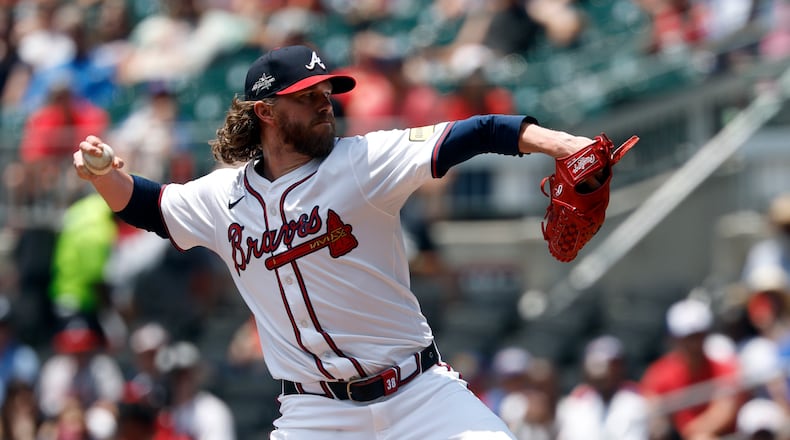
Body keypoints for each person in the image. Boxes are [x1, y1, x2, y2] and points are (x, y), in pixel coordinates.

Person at [72, 44, 601, 439]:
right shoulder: (222, 195)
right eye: (308, 97)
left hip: (418, 393)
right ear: (266, 111)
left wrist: (567, 145)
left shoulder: (365, 162)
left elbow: (480, 130)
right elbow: (148, 206)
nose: (325, 104)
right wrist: (102, 174)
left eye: (327, 92)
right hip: (315, 415)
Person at [640, 297, 741, 439]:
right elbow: (652, 412)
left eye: (698, 336)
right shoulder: (658, 373)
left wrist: (691, 433)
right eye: (688, 338)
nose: (694, 344)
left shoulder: (724, 368)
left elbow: (725, 411)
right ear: (674, 339)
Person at [555, 335, 648, 440]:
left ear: (620, 367)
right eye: (595, 365)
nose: (601, 373)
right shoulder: (576, 402)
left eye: (608, 365)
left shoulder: (637, 400)